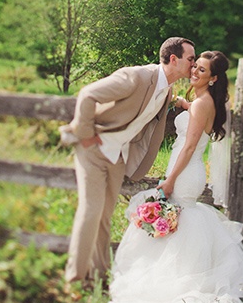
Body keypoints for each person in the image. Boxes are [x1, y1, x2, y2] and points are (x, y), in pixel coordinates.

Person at [108, 51, 243, 303]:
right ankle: (173, 280)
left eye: (202, 71)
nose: (194, 72)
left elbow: (189, 147)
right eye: (195, 66)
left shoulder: (202, 104)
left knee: (179, 225)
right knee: (180, 226)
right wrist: (183, 103)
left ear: (213, 79)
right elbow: (197, 118)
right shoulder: (203, 102)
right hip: (187, 169)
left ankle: (177, 289)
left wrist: (170, 180)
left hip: (185, 172)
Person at [60, 37, 196, 286]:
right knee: (91, 210)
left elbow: (159, 101)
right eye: (190, 59)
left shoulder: (166, 89)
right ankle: (75, 278)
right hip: (93, 149)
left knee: (104, 215)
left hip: (118, 156)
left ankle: (98, 276)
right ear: (173, 59)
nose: (194, 64)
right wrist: (86, 135)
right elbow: (88, 94)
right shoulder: (136, 77)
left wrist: (182, 102)